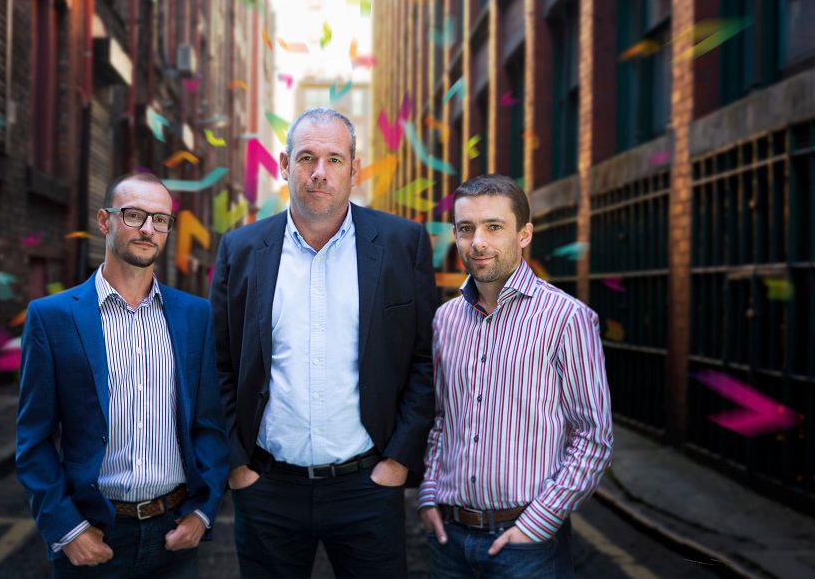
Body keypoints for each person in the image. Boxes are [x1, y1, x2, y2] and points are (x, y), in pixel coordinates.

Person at [209, 108, 437, 578]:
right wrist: (238, 467)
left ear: (355, 169)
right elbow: (218, 365)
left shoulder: (402, 244)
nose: (319, 172)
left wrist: (397, 462)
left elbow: (425, 360)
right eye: (306, 157)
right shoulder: (241, 249)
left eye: (334, 159)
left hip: (367, 486)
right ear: (283, 164)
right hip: (268, 487)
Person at [16, 172, 229, 577]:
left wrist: (203, 512)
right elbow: (34, 440)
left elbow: (209, 426)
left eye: (160, 219)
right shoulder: (52, 317)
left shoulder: (195, 315)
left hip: (175, 538)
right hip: (95, 536)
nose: (148, 229)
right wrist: (67, 529)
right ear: (104, 220)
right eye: (134, 215)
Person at [418, 174, 613, 578]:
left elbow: (593, 437)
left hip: (528, 547)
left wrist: (536, 526)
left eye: (494, 227)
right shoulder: (444, 320)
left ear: (524, 234)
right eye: (466, 228)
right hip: (447, 541)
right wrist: (428, 497)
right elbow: (440, 419)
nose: (479, 243)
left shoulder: (568, 319)